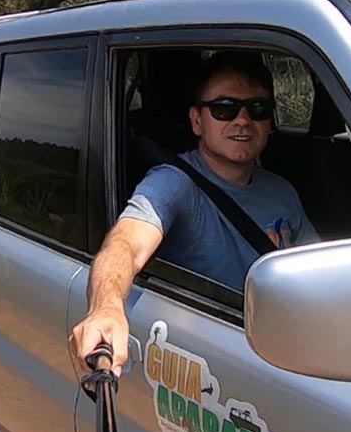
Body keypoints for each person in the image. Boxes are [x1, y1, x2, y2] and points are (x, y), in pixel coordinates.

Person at [69, 50, 319, 377]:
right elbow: (126, 243)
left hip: (286, 353)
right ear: (197, 120)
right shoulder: (173, 183)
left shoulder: (282, 190)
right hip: (221, 359)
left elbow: (321, 274)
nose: (242, 120)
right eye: (224, 108)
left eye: (257, 109)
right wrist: (106, 307)